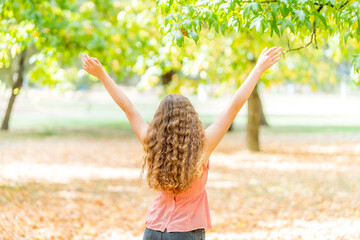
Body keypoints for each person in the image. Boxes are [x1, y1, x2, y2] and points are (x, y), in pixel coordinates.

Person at [81, 46, 282, 240]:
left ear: (159, 120)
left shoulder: (151, 141)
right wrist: (257, 69)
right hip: (185, 231)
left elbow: (129, 108)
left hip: (153, 229)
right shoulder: (202, 146)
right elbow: (233, 106)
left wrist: (102, 75)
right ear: (191, 118)